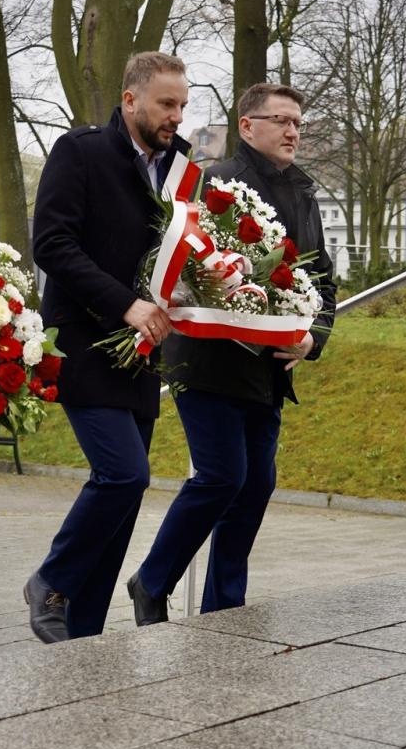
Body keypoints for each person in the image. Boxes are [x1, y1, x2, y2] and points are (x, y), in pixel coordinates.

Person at [127, 83, 336, 622]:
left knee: (256, 483)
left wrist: (312, 338)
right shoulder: (215, 185)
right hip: (209, 360)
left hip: (267, 372)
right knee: (223, 477)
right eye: (281, 120)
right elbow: (177, 266)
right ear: (248, 126)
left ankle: (225, 607)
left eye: (298, 123)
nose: (293, 131)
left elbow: (323, 284)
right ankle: (152, 581)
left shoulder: (305, 195)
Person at [24, 51, 191, 642]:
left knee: (122, 510)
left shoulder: (180, 169)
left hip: (142, 354)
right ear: (130, 99)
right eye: (166, 104)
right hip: (83, 341)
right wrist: (126, 303)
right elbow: (52, 243)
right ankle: (50, 581)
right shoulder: (82, 151)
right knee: (124, 476)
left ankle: (82, 637)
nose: (176, 116)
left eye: (182, 106)